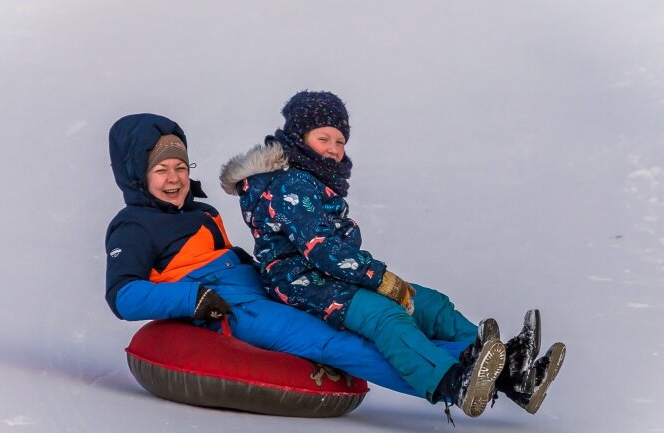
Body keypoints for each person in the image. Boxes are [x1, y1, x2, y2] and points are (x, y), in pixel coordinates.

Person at [220, 91, 566, 419]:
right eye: (323, 138)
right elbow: (323, 248)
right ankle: (454, 384)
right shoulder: (291, 184)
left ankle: (511, 373)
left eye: (339, 141)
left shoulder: (313, 179)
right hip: (301, 283)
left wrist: (380, 279)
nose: (333, 149)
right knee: (384, 315)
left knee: (432, 305)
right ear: (299, 137)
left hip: (331, 276)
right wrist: (379, 278)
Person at [104, 112, 457, 404]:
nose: (174, 179)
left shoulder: (202, 212)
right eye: (161, 170)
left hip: (262, 286)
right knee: (336, 341)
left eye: (180, 167)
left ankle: (467, 357)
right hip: (236, 309)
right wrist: (193, 299)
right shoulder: (132, 226)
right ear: (138, 175)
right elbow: (123, 296)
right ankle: (448, 383)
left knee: (368, 316)